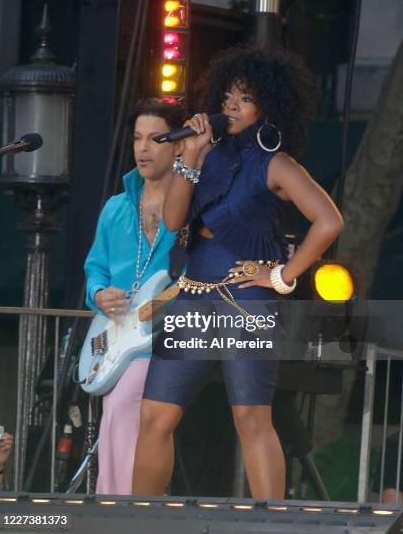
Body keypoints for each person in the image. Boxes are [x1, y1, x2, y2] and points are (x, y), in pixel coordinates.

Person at [132, 46, 344, 499]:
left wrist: (283, 277)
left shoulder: (277, 164)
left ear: (267, 105)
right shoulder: (204, 154)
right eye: (227, 94)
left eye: (244, 98)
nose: (230, 104)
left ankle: (271, 525)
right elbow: (172, 222)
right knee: (155, 415)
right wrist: (190, 154)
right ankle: (139, 519)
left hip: (247, 298)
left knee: (250, 417)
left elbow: (329, 222)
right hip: (193, 293)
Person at [84, 100, 185, 494]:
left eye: (156, 139)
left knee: (125, 404)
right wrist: (99, 293)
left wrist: (154, 309)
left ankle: (123, 504)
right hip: (118, 335)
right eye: (138, 138)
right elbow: (95, 268)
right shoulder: (115, 208)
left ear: (178, 145)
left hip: (170, 335)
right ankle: (125, 503)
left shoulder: (189, 204)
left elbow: (194, 273)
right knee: (117, 409)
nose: (143, 148)